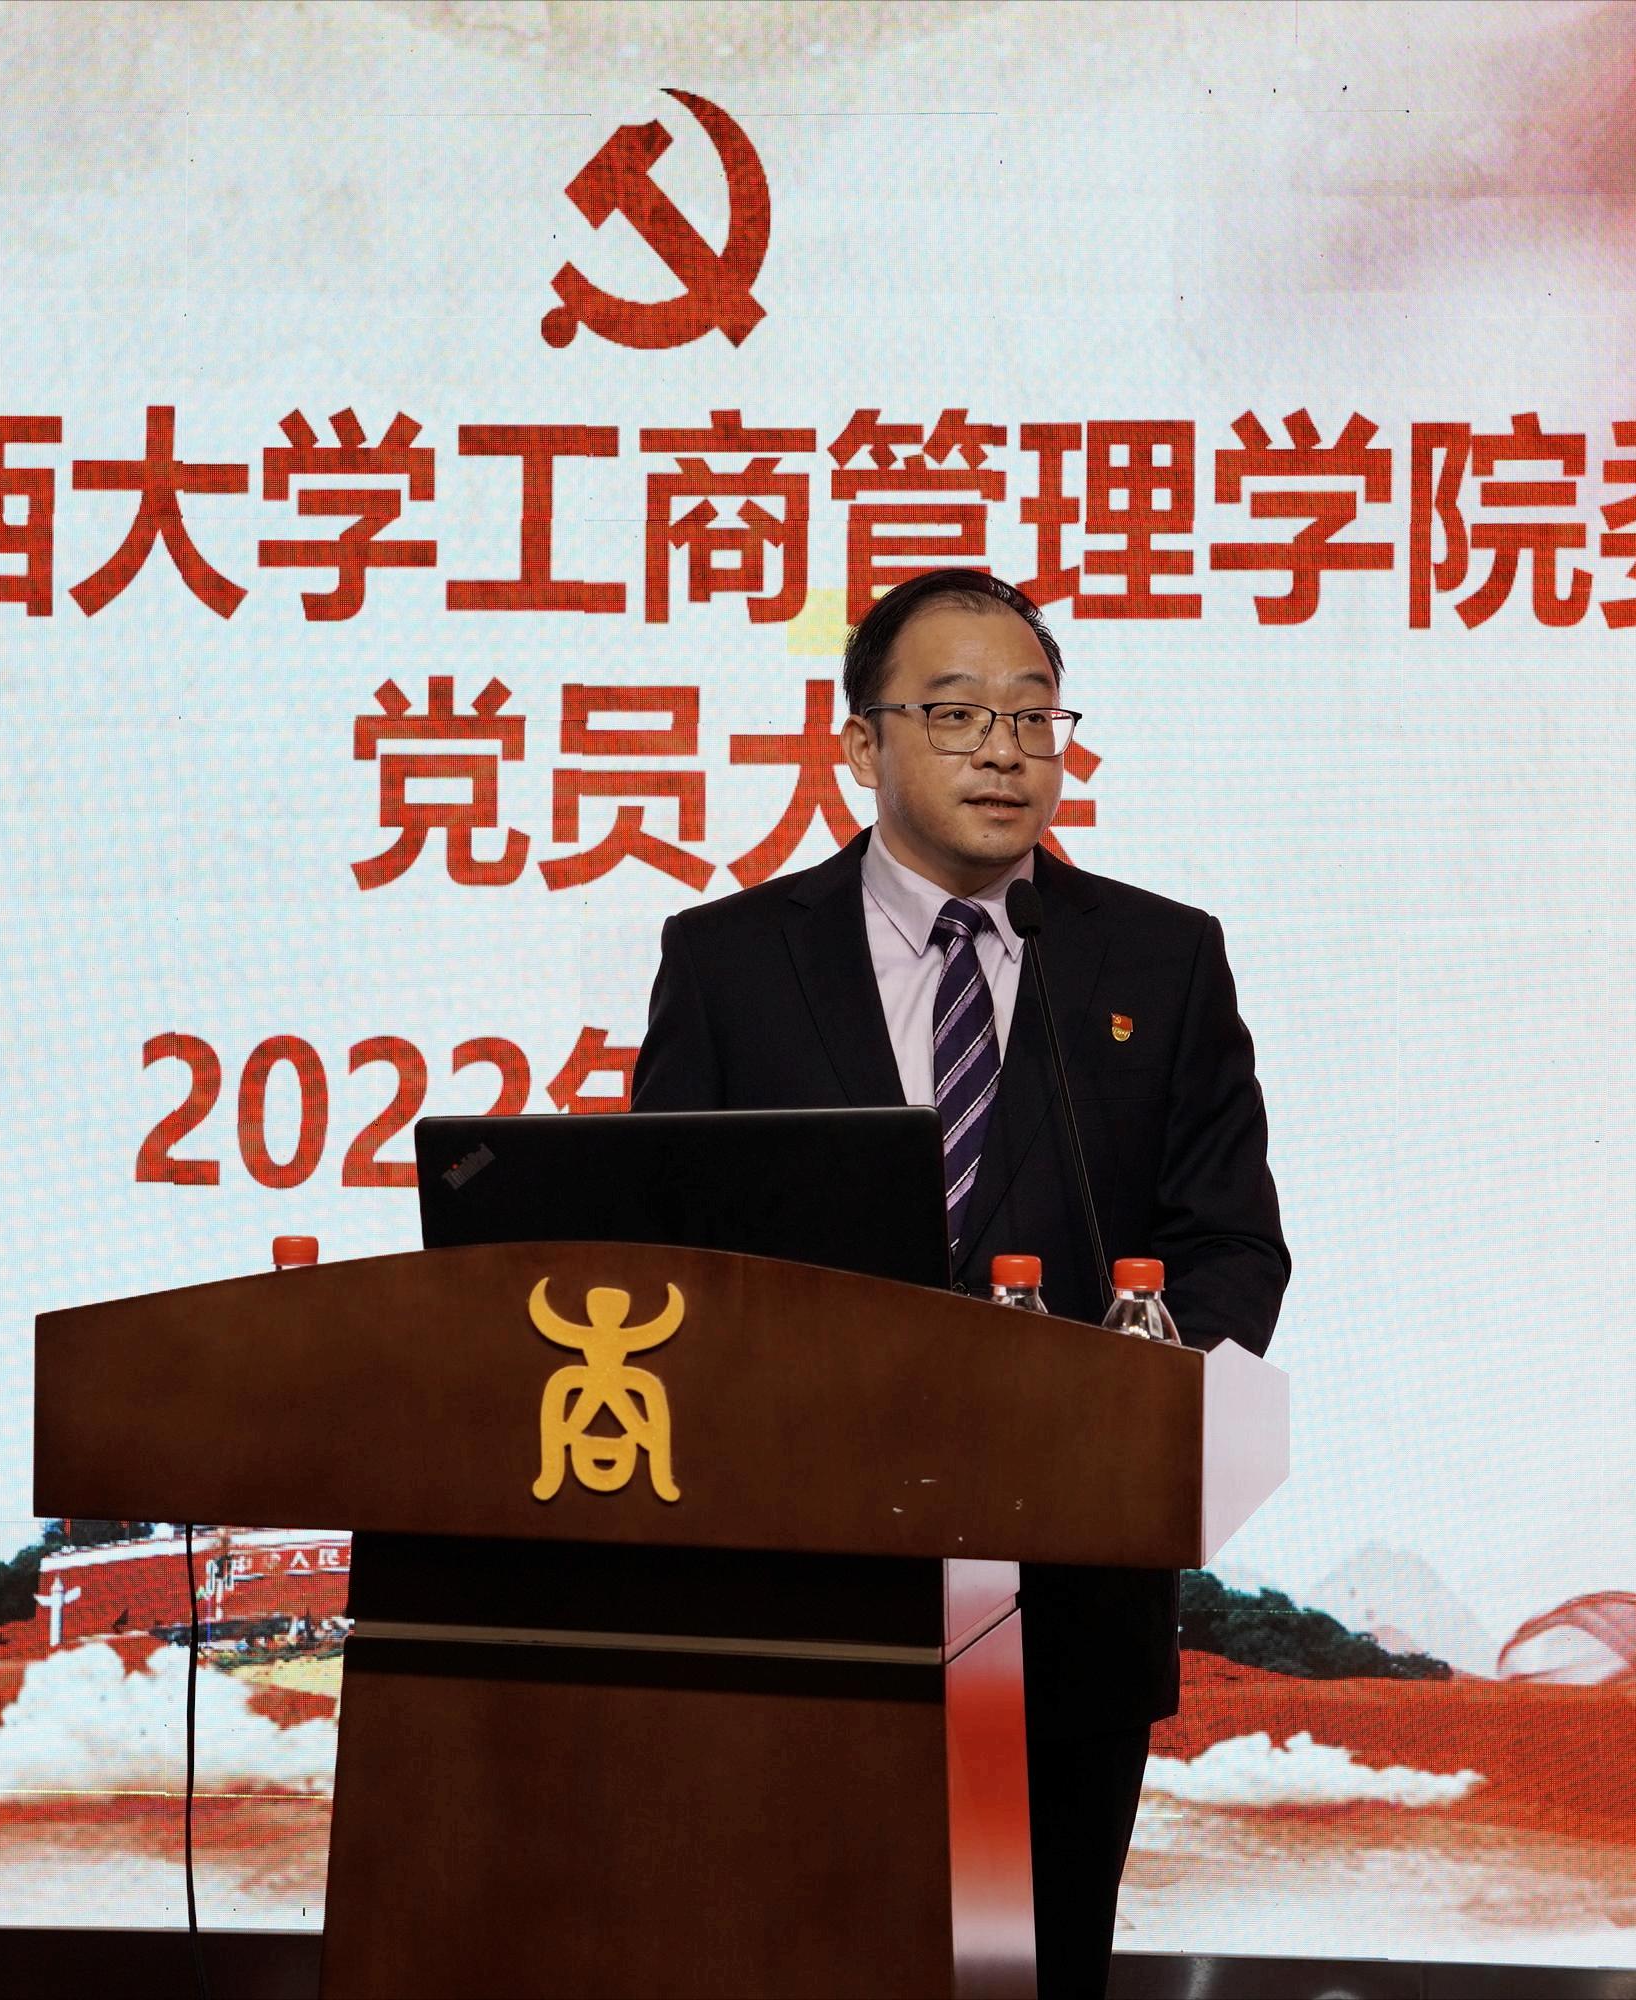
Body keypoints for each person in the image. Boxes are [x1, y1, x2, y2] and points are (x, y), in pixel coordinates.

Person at [630, 568, 1289, 1999]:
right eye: (956, 714)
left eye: (1034, 716)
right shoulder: (731, 962)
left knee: (1018, 1973)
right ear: (859, 744)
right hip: (803, 1598)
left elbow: (1232, 1244)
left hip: (1061, 1604)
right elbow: (661, 1257)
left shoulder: (1157, 959)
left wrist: (1132, 1401)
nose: (1005, 749)